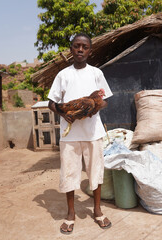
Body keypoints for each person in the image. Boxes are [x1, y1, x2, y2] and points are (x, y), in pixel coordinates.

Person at [48, 33, 113, 235]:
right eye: (76, 46)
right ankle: (70, 213)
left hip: (93, 132)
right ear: (71, 49)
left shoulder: (96, 73)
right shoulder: (63, 75)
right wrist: (63, 113)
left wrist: (94, 107)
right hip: (70, 135)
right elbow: (52, 102)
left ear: (90, 51)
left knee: (96, 171)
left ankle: (97, 210)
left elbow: (106, 99)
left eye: (84, 47)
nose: (80, 50)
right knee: (69, 173)